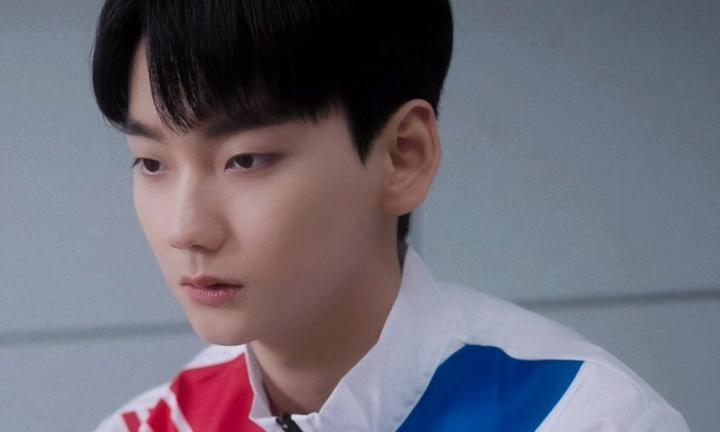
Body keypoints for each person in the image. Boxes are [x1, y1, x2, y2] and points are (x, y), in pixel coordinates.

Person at [91, 1, 688, 431]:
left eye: (245, 160)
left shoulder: (582, 416)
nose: (186, 229)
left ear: (404, 155)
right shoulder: (152, 424)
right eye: (151, 163)